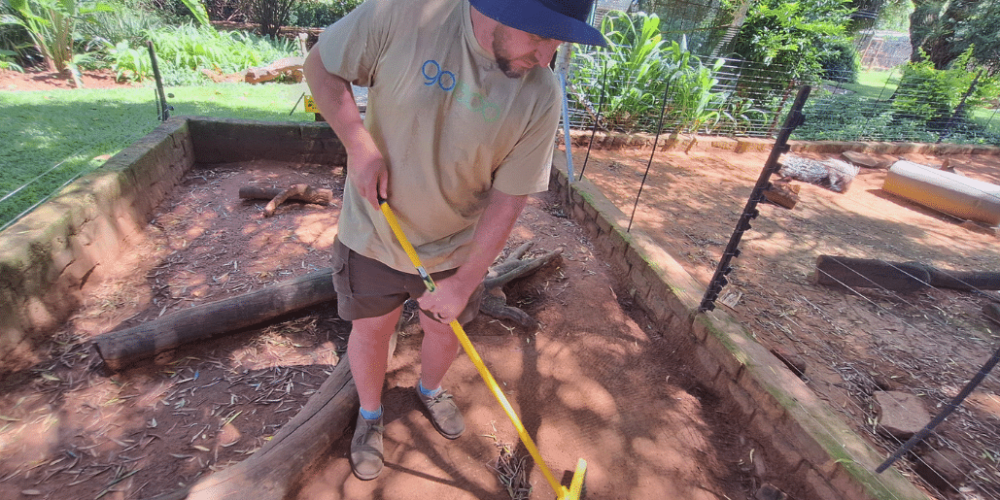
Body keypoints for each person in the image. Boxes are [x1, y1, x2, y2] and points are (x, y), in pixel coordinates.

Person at [303, 0, 606, 481]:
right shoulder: (404, 14)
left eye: (559, 43)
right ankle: (370, 415)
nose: (546, 57)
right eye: (539, 37)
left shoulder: (541, 94)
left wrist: (466, 280)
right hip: (375, 231)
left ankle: (429, 389)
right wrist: (359, 145)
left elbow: (510, 198)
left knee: (444, 330)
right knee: (371, 332)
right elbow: (321, 63)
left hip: (455, 246)